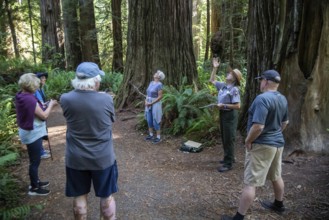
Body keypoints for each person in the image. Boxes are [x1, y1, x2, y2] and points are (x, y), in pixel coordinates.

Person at [221, 70, 289, 220]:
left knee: (250, 183)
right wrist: (275, 133)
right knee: (276, 176)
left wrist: (248, 140)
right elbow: (285, 122)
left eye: (261, 80)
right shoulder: (282, 98)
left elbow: (258, 126)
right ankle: (279, 204)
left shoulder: (262, 99)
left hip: (262, 145)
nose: (260, 83)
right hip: (277, 144)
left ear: (265, 81)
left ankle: (239, 217)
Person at [60, 62, 118, 219]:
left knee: (79, 198)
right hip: (102, 158)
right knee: (106, 197)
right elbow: (110, 120)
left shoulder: (65, 99)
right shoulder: (106, 99)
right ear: (96, 81)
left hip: (76, 158)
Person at [15, 73, 57, 196]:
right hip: (32, 133)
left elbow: (35, 108)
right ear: (31, 84)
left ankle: (36, 181)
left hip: (30, 131)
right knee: (35, 161)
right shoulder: (28, 99)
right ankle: (34, 187)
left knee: (35, 160)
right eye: (36, 83)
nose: (38, 85)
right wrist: (50, 105)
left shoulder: (22, 95)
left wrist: (43, 105)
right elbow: (44, 115)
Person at [209, 57, 242, 172]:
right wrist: (215, 68)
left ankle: (228, 164)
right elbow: (212, 80)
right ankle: (229, 157)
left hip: (230, 115)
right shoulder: (223, 86)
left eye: (231, 74)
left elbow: (238, 106)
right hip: (223, 114)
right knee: (224, 137)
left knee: (229, 138)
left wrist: (224, 105)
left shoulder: (234, 89)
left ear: (234, 79)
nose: (228, 74)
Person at [144, 70, 165, 144]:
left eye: (157, 73)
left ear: (159, 77)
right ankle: (151, 135)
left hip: (155, 103)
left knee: (155, 119)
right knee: (149, 119)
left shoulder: (159, 85)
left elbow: (160, 96)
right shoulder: (151, 83)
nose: (155, 73)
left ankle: (158, 137)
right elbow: (148, 93)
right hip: (148, 102)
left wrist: (151, 103)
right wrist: (146, 101)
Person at [34, 72, 51, 159]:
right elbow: (37, 103)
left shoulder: (41, 89)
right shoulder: (35, 90)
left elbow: (41, 102)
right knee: (38, 133)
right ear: (38, 80)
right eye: (43, 78)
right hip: (38, 114)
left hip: (42, 112)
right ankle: (40, 152)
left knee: (41, 132)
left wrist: (47, 103)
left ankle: (41, 150)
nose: (44, 79)